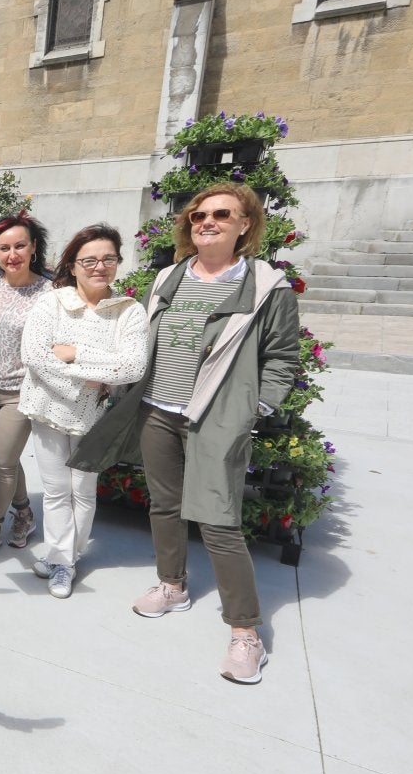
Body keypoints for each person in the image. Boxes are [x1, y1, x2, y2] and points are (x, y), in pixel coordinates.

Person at [71, 183, 299, 684]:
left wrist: (256, 405)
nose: (206, 222)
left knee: (218, 520)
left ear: (246, 224)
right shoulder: (168, 279)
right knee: (164, 505)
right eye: (198, 215)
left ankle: (245, 631)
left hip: (217, 415)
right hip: (158, 409)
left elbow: (283, 358)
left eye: (221, 214)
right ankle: (172, 585)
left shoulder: (265, 287)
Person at [18, 224, 148, 598]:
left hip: (96, 418)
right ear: (73, 266)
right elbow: (35, 356)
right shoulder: (52, 302)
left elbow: (133, 367)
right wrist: (94, 376)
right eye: (88, 260)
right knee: (57, 490)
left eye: (108, 259)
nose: (99, 266)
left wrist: (76, 353)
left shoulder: (129, 311)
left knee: (83, 490)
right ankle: (63, 560)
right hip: (47, 408)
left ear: (118, 263)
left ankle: (65, 558)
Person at [0, 212, 49, 559]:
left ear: (33, 248)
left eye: (19, 246)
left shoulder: (49, 291)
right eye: (4, 248)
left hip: (21, 391)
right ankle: (26, 513)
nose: (11, 254)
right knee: (7, 458)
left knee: (3, 462)